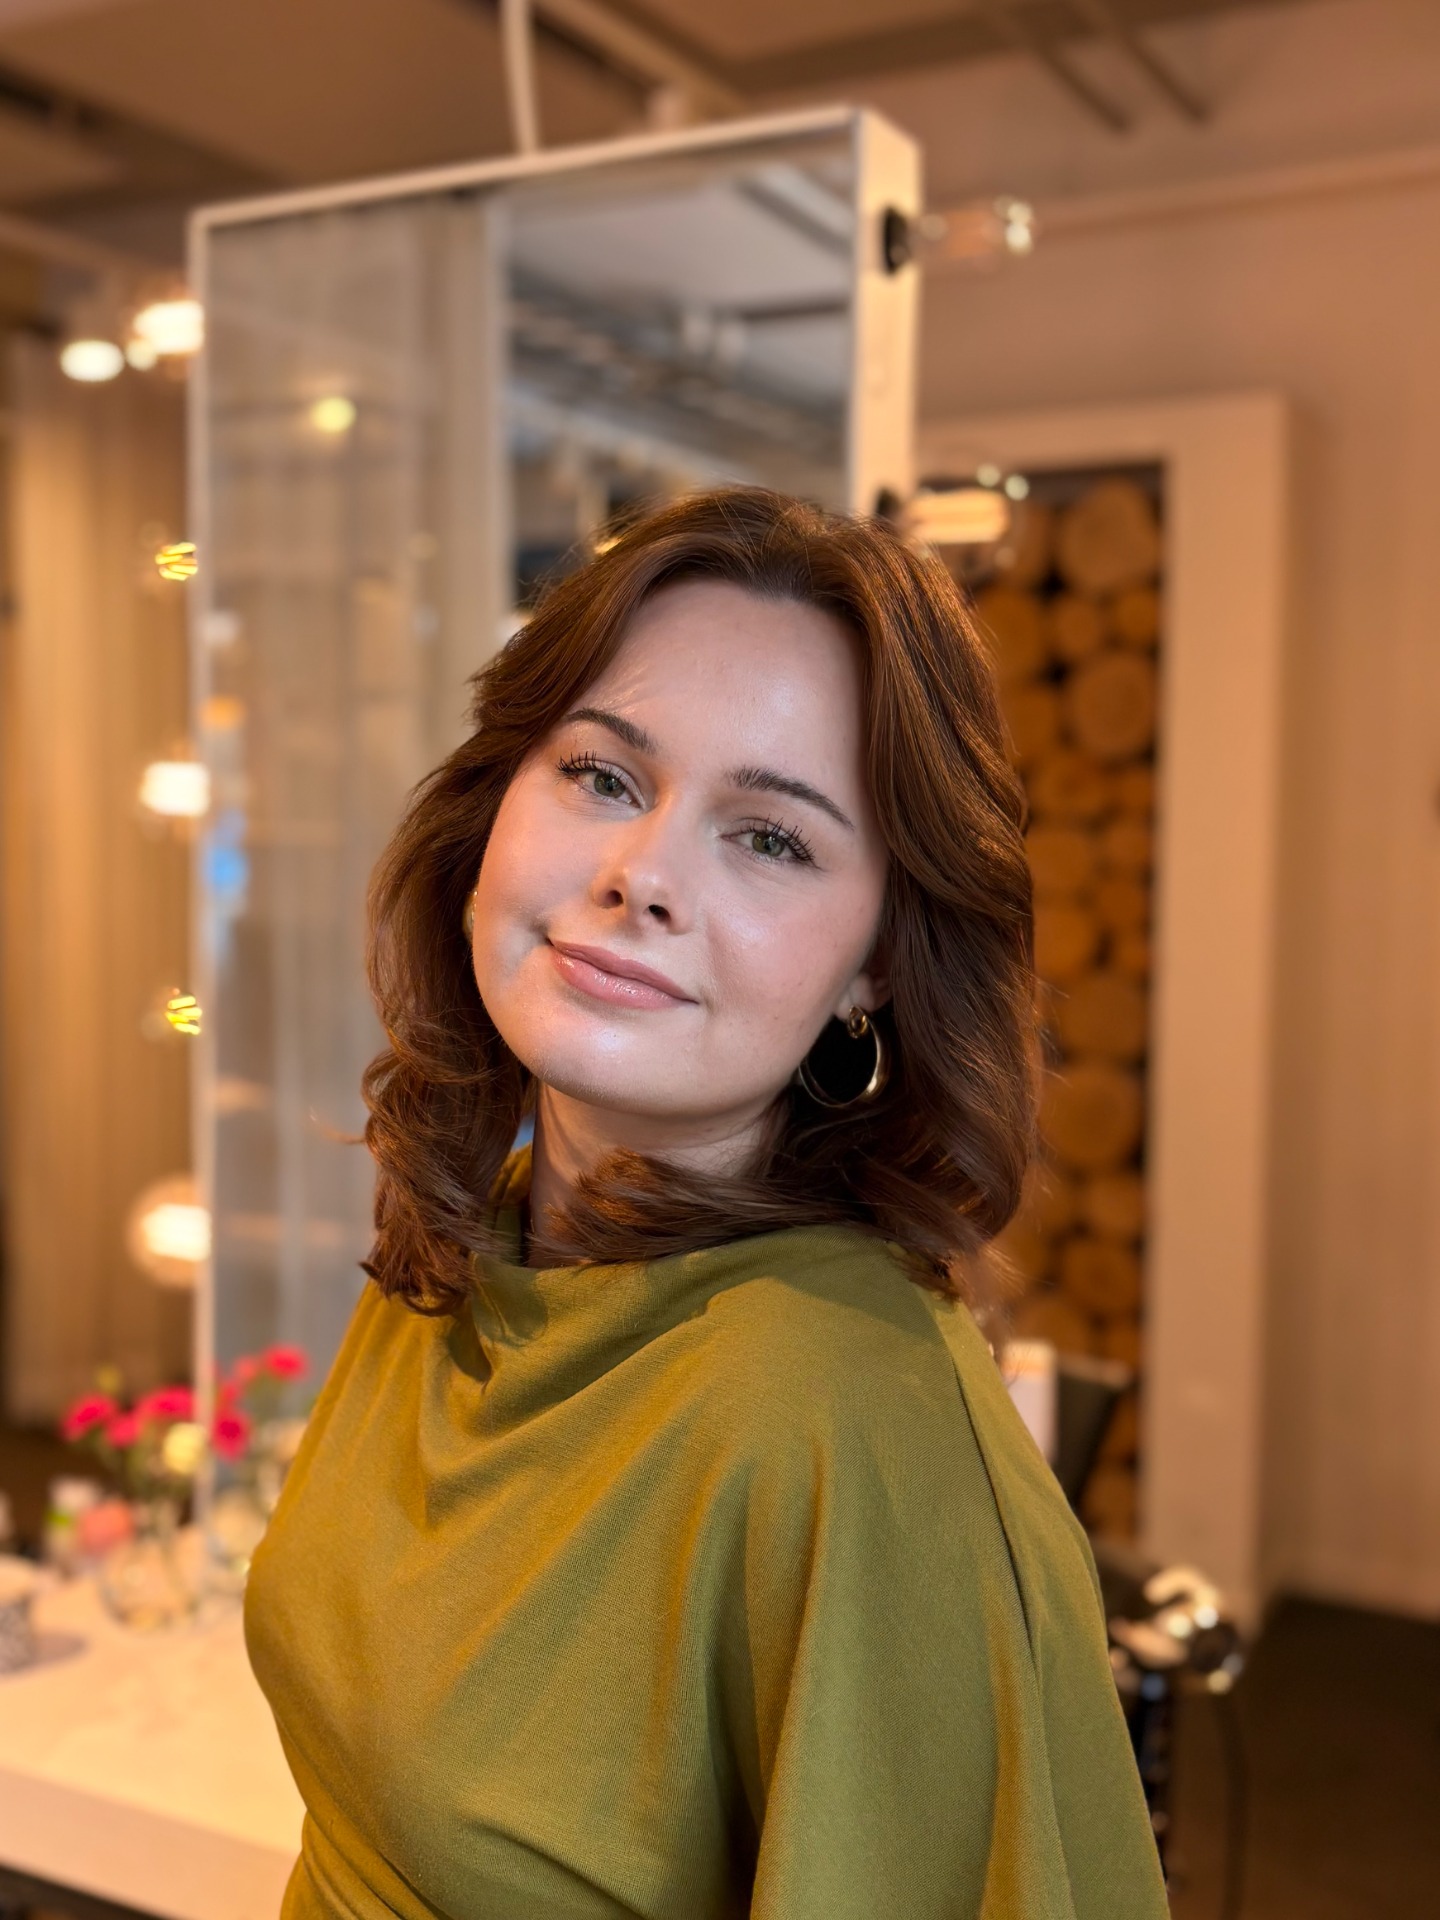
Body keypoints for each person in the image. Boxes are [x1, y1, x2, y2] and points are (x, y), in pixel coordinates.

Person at [245, 487, 1169, 1919]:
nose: (642, 877)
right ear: (496, 801)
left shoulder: (854, 1432)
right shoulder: (482, 1233)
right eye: (603, 776)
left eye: (772, 838)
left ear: (875, 964)